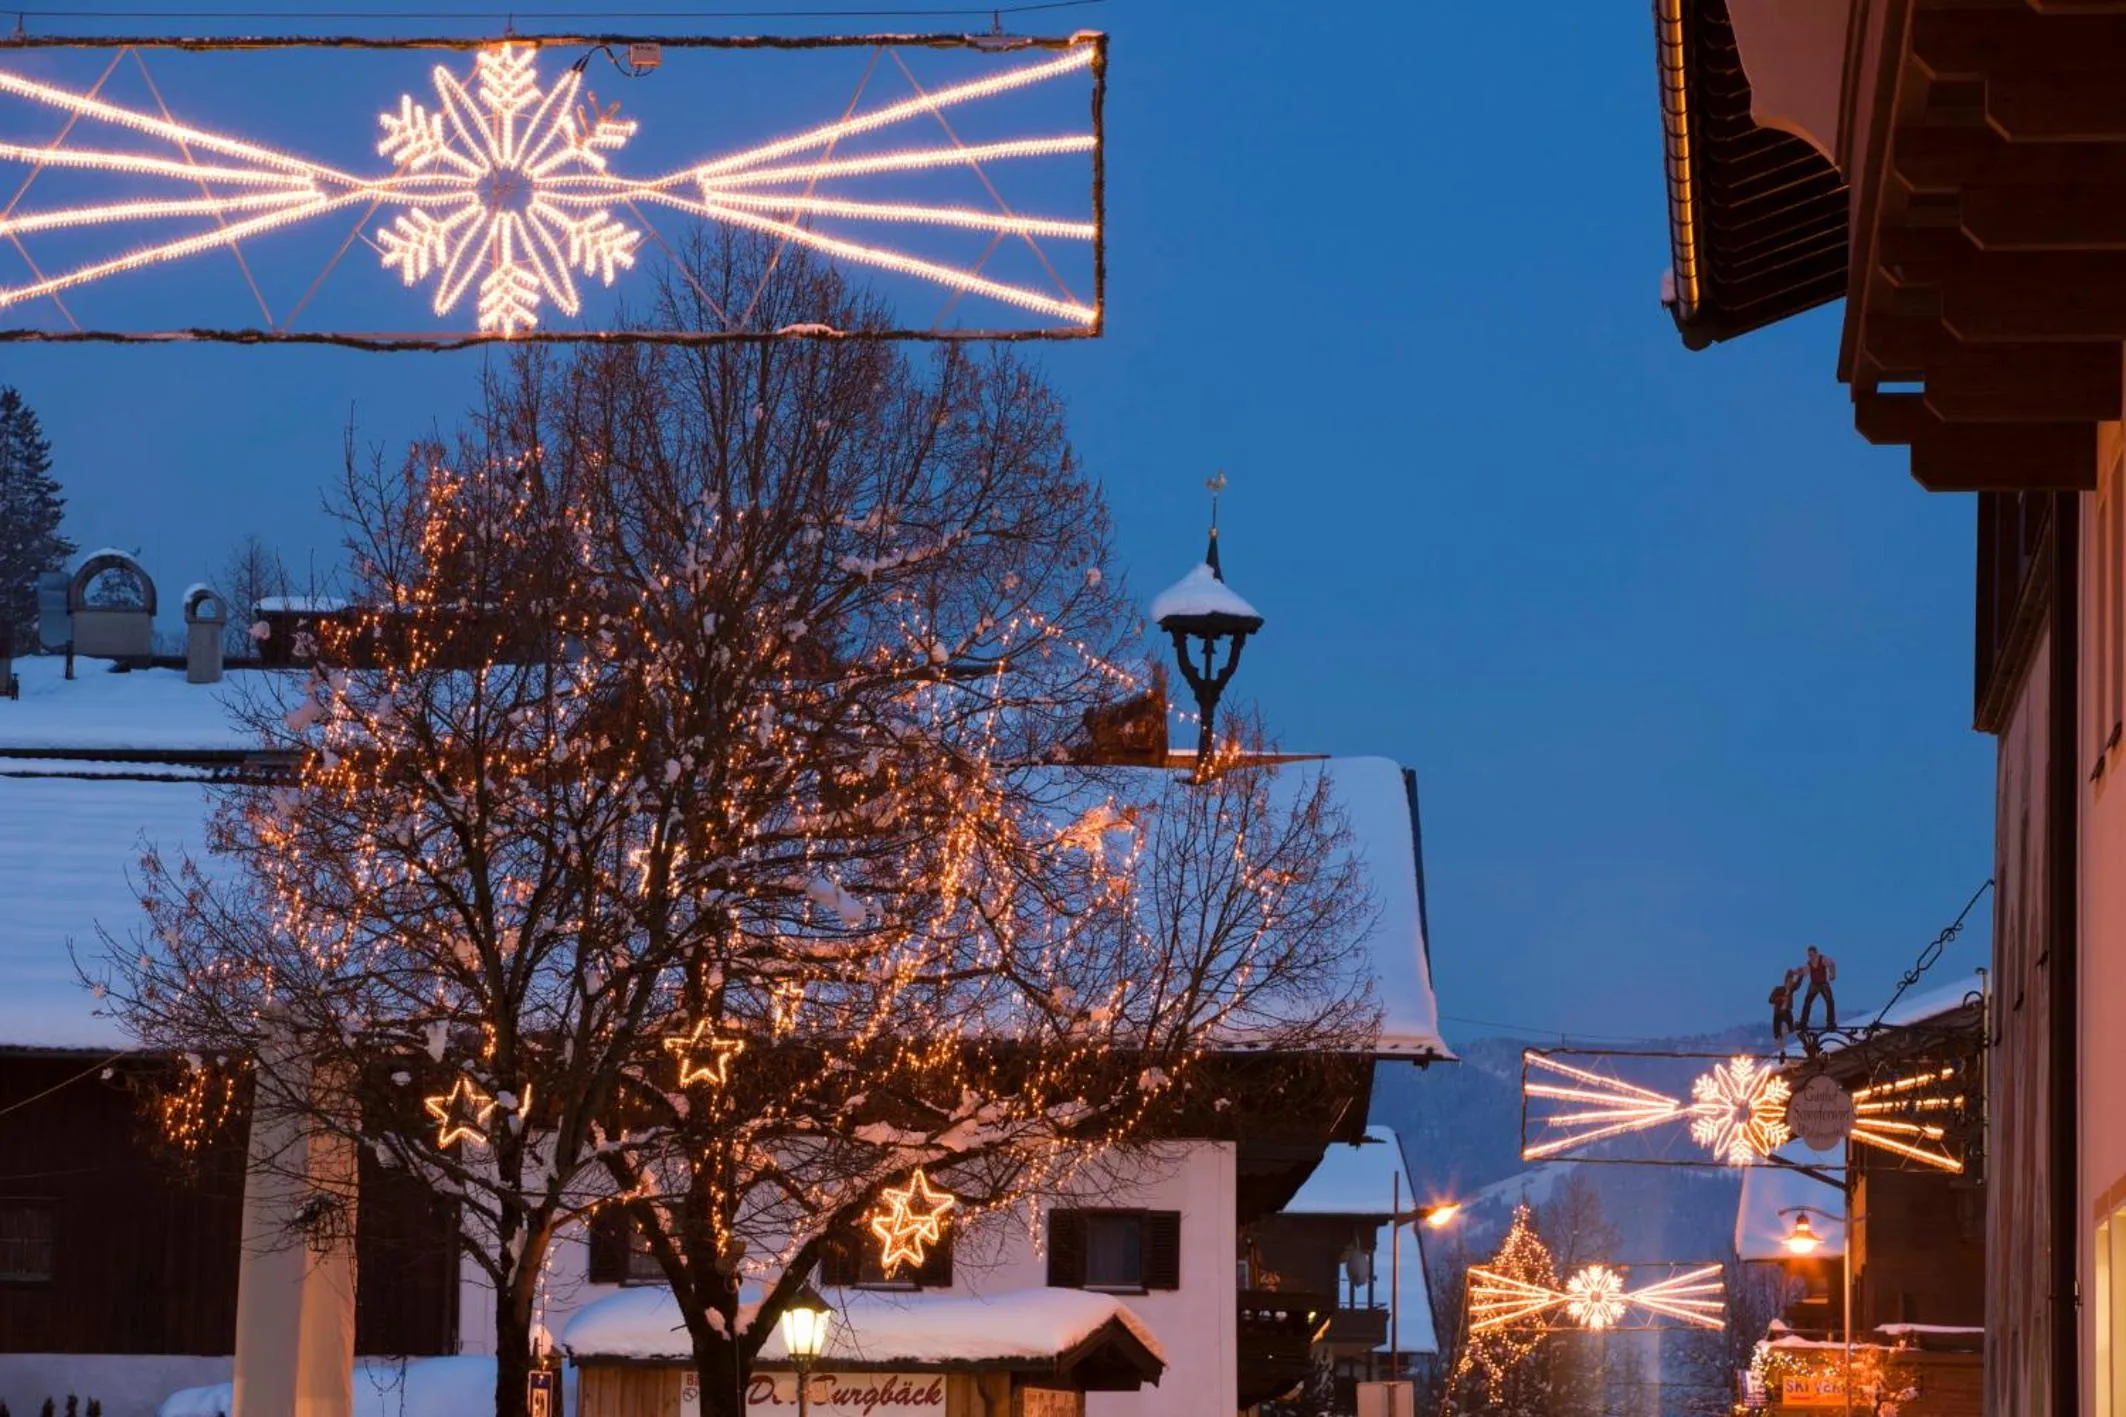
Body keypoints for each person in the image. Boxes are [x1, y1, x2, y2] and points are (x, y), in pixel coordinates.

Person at [1797, 945, 1837, 1031]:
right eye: (1809, 955)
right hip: (1814, 984)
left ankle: (1831, 1022)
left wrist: (1832, 974)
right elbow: (1804, 972)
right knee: (1807, 1002)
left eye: (1811, 955)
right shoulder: (1809, 963)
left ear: (1816, 953)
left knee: (1829, 1001)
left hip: (1823, 984)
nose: (1810, 957)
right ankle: (1803, 1022)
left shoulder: (1822, 959)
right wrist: (1797, 972)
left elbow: (1832, 964)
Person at [1769, 967, 1802, 1046]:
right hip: (1778, 1013)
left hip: (1787, 1012)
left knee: (1791, 1029)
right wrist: (1780, 999)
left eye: (1791, 983)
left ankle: (1795, 1026)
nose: (1790, 984)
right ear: (1786, 981)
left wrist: (1801, 975)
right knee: (1777, 1034)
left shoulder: (1791, 990)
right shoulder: (1778, 989)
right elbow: (1770, 1000)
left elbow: (1797, 984)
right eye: (1789, 982)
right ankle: (1780, 1047)